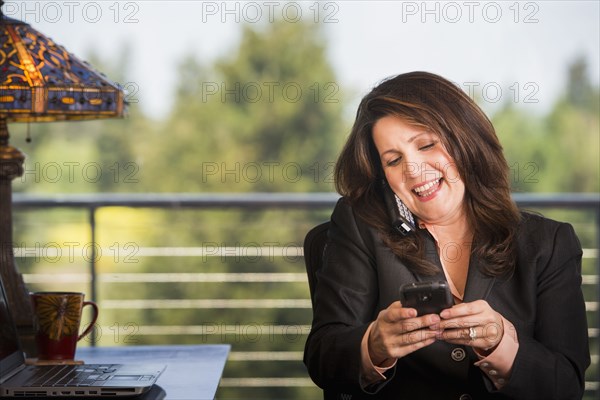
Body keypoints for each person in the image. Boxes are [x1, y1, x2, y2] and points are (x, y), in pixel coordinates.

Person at [303, 71, 590, 399]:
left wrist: (501, 344)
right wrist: (374, 345)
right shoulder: (361, 224)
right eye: (394, 160)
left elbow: (565, 386)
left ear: (464, 139)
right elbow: (323, 355)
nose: (413, 170)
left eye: (426, 145)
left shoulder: (548, 243)